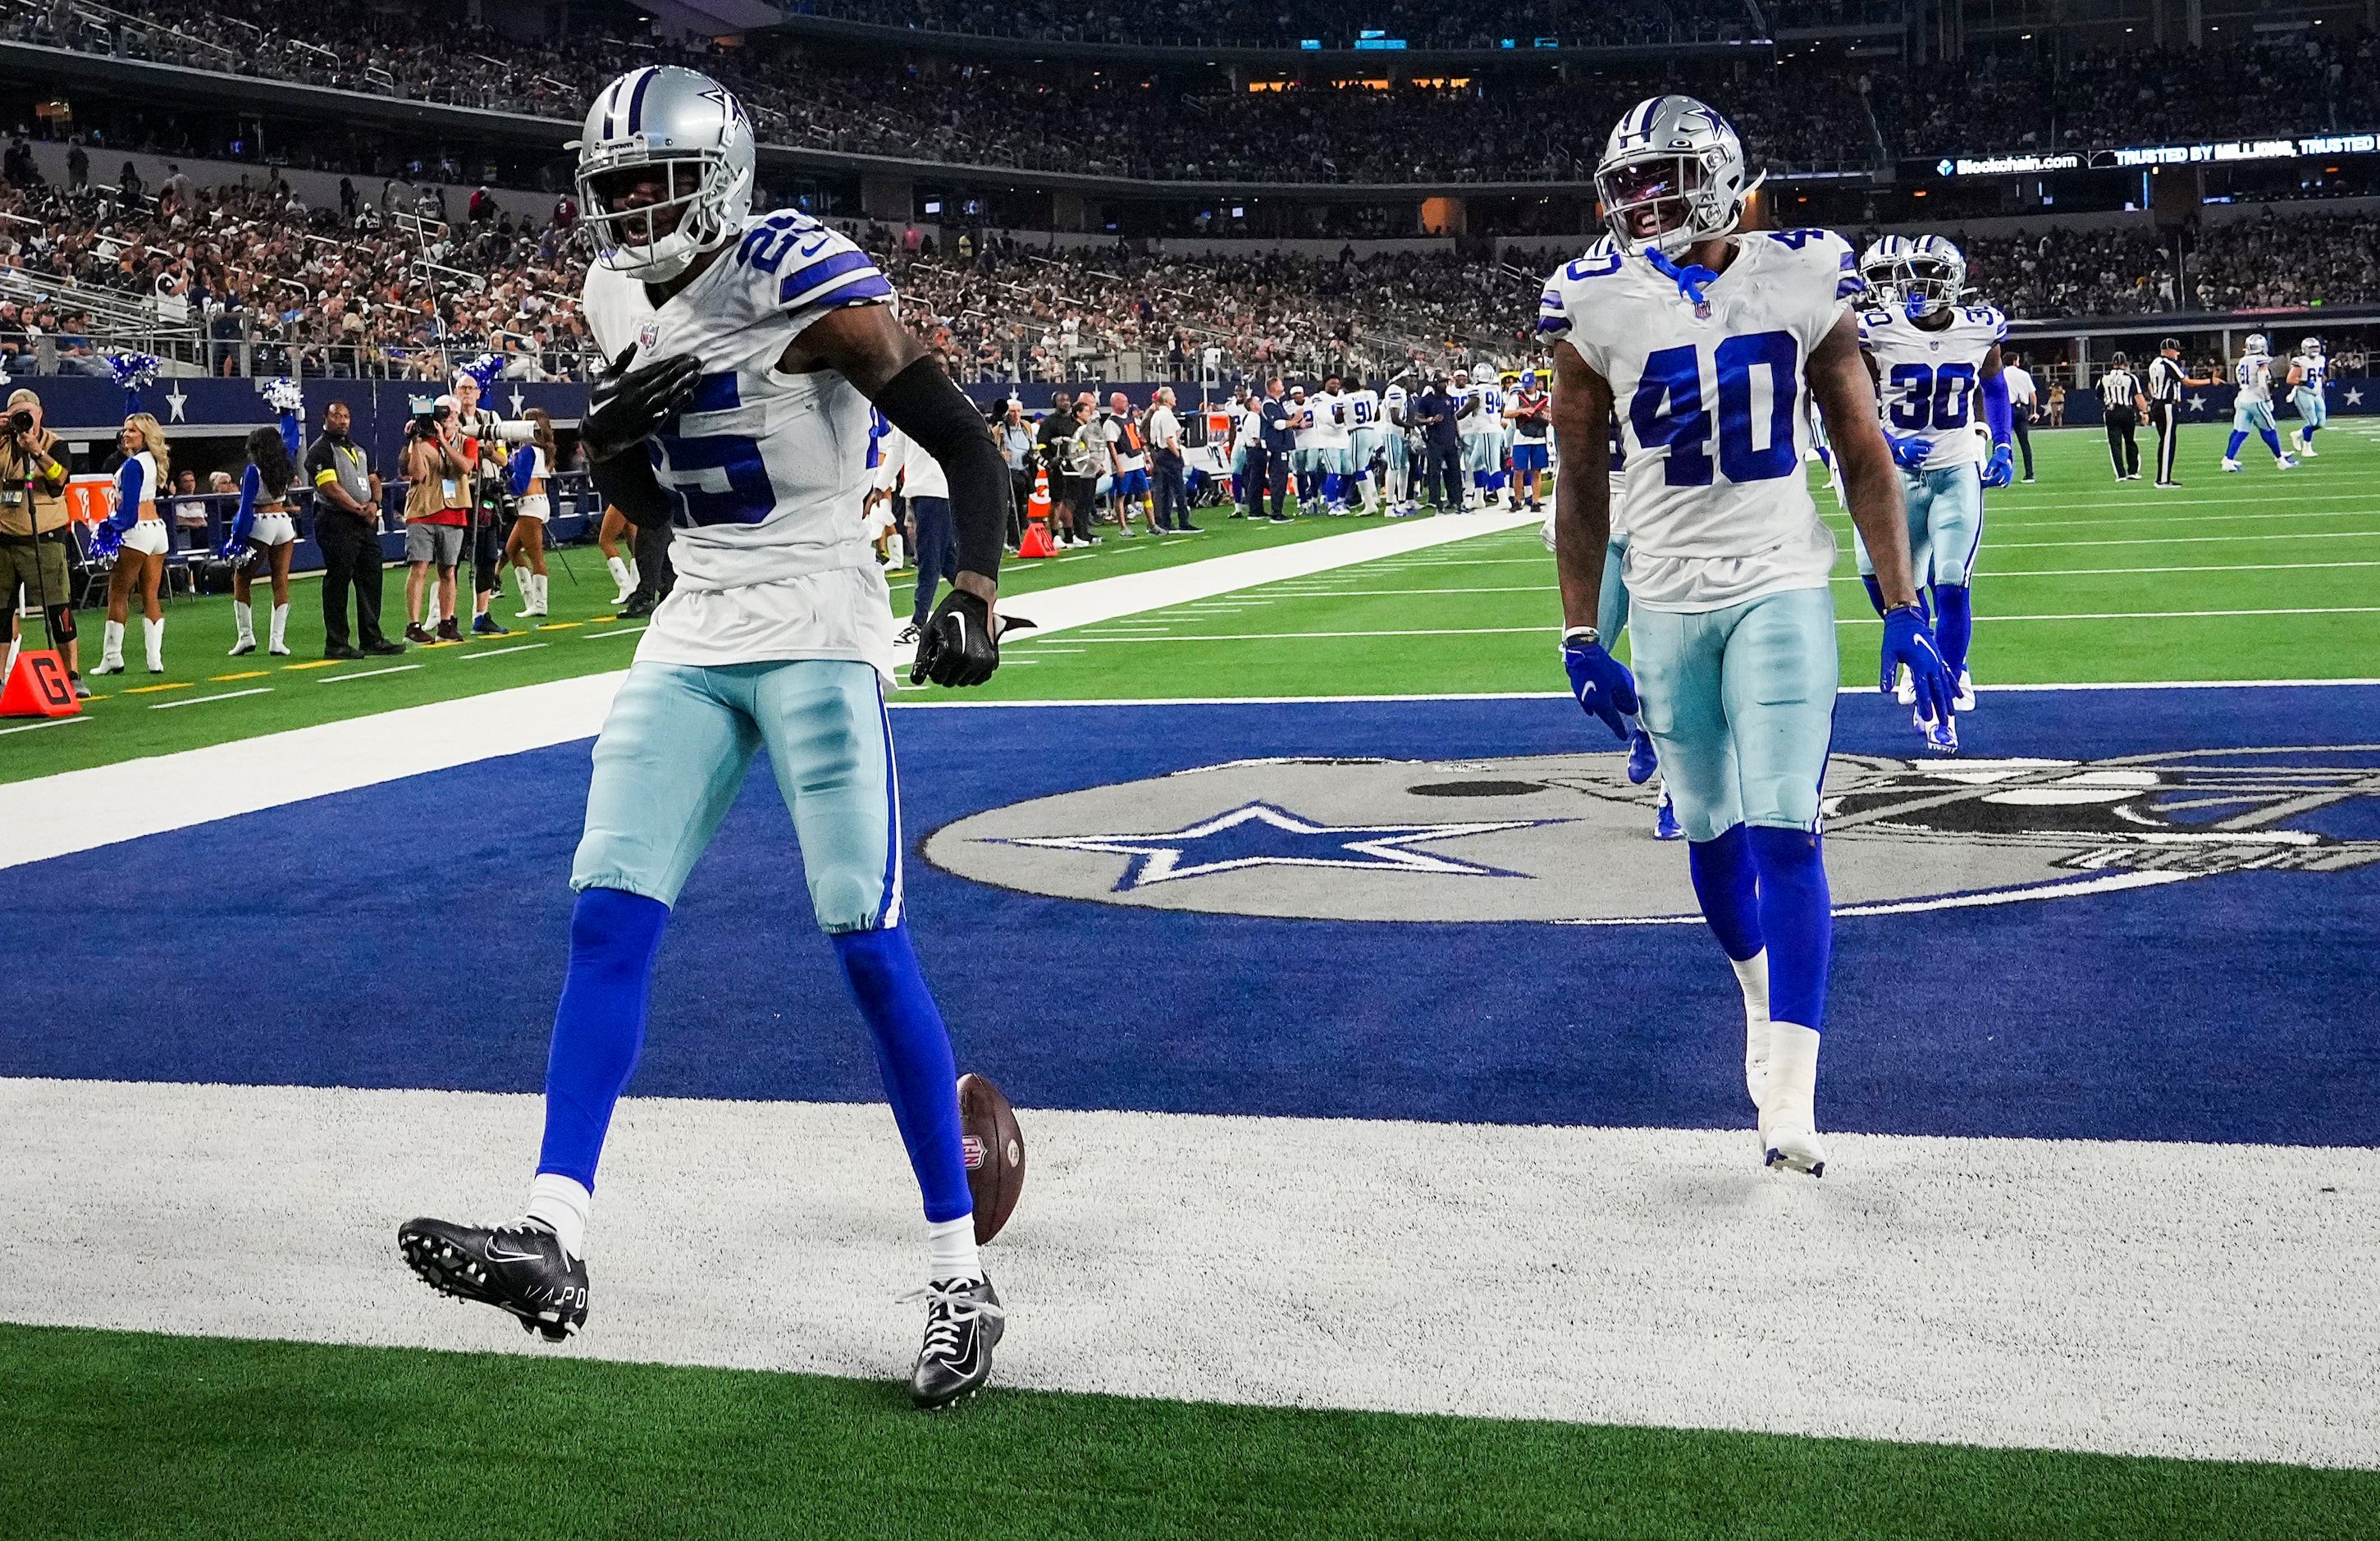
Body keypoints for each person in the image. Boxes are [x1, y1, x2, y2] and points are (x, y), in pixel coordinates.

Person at [397, 66, 1018, 1408]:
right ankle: (556, 1231)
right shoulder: (610, 295)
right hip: (694, 624)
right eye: (610, 188)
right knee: (606, 915)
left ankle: (960, 1275)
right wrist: (606, 458)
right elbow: (654, 502)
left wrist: (971, 589)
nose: (629, 210)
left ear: (720, 176)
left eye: (651, 183)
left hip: (815, 615)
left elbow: (967, 443)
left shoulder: (805, 274)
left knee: (863, 936)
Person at [1540, 94, 1950, 1181]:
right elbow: (1578, 482)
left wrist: (1901, 603)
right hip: (1668, 596)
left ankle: (1795, 1098)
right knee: (1712, 835)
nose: (1637, 200)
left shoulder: (1805, 270)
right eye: (1625, 181)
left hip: (1779, 582)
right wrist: (1582, 632)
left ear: (1715, 176)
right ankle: (1759, 998)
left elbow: (1861, 450)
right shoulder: (1588, 300)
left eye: (1657, 177)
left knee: (1788, 827)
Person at [1853, 234, 2012, 752]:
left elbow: (1993, 384)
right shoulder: (1876, 330)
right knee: (1878, 580)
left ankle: (1941, 694)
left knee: (1951, 584)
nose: (1916, 286)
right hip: (1893, 476)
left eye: (1928, 274)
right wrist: (1888, 442)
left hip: (1954, 470)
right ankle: (1923, 655)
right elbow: (1844, 395)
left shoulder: (1980, 326)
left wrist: (2003, 442)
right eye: (1910, 274)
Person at [0, 386, 82, 695]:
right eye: (16, 416)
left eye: (27, 415)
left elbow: (60, 479)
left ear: (39, 414)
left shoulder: (55, 444)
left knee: (58, 609)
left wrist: (35, 449)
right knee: (1, 614)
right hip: (4, 538)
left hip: (44, 537)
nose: (22, 421)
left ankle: (72, 675)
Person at [307, 399, 402, 659]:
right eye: (337, 416)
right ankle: (336, 643)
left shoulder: (358, 449)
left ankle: (372, 638)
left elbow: (373, 478)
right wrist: (359, 509)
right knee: (338, 581)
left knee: (372, 578)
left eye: (347, 416)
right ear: (325, 418)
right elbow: (330, 488)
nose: (343, 421)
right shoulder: (320, 450)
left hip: (363, 522)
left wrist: (375, 502)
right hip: (336, 520)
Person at [91, 414, 173, 674]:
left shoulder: (134, 465)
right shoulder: (152, 459)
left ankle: (112, 656)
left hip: (137, 532)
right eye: (125, 430)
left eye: (132, 431)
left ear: (145, 436)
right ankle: (155, 660)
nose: (125, 434)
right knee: (150, 596)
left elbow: (128, 514)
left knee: (118, 594)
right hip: (158, 531)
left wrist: (106, 527)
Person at [874, 421, 953, 646]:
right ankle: (982, 607)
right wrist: (880, 486)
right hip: (927, 490)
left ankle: (918, 623)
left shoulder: (924, 401)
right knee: (946, 558)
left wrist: (880, 486)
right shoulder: (919, 401)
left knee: (929, 557)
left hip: (935, 491)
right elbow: (897, 450)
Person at [224, 426, 299, 657]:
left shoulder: (253, 471)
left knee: (242, 579)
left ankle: (246, 637)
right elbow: (293, 438)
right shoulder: (285, 467)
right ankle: (277, 641)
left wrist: (237, 538)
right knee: (280, 580)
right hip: (283, 524)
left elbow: (246, 506)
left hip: (261, 523)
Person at [402, 398, 469, 643]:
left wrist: (443, 440)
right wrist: (417, 441)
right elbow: (417, 474)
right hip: (422, 510)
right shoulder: (420, 441)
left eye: (452, 414)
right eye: (444, 414)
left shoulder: (465, 441)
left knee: (448, 571)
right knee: (419, 567)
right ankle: (413, 625)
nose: (448, 418)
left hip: (454, 513)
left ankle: (446, 623)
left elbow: (464, 467)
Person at [450, 372, 513, 637]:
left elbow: (503, 459)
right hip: (461, 492)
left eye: (471, 388)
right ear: (456, 392)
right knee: (451, 557)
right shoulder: (448, 420)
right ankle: (447, 615)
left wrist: (485, 451)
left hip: (487, 490)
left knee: (488, 555)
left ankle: (481, 613)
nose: (467, 393)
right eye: (462, 388)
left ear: (479, 393)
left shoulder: (490, 419)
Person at [503, 408, 557, 619]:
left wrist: (505, 475)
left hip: (530, 504)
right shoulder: (541, 450)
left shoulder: (528, 450)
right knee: (512, 550)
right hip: (539, 502)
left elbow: (519, 483)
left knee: (536, 557)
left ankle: (540, 603)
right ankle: (530, 600)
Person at [2224, 335, 2297, 473]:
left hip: (2242, 397)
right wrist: (2267, 399)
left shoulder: (2243, 361)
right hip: (2257, 399)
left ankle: (2228, 460)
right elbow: (2262, 383)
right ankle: (2280, 460)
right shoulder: (2260, 361)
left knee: (2240, 431)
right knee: (2269, 429)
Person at [2145, 339, 2212, 489]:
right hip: (2166, 405)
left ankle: (2163, 477)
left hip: (2158, 403)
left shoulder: (2155, 363)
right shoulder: (2168, 364)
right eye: (2176, 350)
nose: (2178, 353)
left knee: (2165, 441)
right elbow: (2186, 381)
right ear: (2169, 350)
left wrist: (2157, 393)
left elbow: (2150, 383)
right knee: (2168, 442)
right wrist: (2210, 381)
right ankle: (2163, 479)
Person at [1101, 391, 1158, 536]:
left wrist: (1146, 454)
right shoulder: (1111, 423)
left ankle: (1152, 524)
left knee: (1146, 493)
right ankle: (1123, 527)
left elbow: (1137, 438)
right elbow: (1111, 446)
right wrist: (1118, 465)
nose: (1127, 404)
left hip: (1137, 461)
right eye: (1123, 401)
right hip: (1124, 463)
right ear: (1115, 404)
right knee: (1121, 495)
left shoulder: (1131, 418)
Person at [1145, 386, 1194, 533]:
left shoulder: (1156, 415)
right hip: (1168, 454)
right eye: (1173, 396)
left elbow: (1154, 438)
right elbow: (1169, 438)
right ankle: (1184, 522)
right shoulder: (1166, 415)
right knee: (1178, 489)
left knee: (1164, 490)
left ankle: (1165, 521)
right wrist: (1177, 454)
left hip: (1159, 453)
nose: (1175, 398)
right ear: (1166, 399)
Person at [1505, 369, 1553, 512]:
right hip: (1521, 437)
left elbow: (1552, 413)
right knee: (1518, 470)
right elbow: (1507, 413)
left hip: (1539, 437)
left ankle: (1535, 501)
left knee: (1537, 471)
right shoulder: (1517, 398)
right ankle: (1517, 500)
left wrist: (1547, 415)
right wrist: (1521, 411)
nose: (1529, 388)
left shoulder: (1546, 397)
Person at [1416, 373, 1464, 512]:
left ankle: (1457, 501)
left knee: (1455, 471)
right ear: (1435, 383)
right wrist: (1430, 420)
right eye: (1442, 382)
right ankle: (1437, 503)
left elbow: (1453, 417)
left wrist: (1458, 435)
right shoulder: (1426, 400)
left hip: (1449, 439)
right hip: (1435, 440)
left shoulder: (1449, 399)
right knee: (1435, 472)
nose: (1445, 385)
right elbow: (1418, 419)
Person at [1251, 376, 1294, 523]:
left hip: (1281, 445)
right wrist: (1293, 421)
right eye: (1280, 383)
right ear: (1274, 387)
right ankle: (1276, 513)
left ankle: (1278, 511)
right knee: (1278, 479)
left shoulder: (1276, 403)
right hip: (1276, 446)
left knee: (1281, 479)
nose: (1283, 385)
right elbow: (1278, 424)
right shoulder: (1269, 404)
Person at [998, 400, 1035, 548]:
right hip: (1008, 471)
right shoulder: (1000, 430)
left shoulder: (1026, 427)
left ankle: (1018, 536)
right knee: (1011, 507)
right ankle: (1012, 540)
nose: (1015, 415)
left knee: (1023, 506)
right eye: (1012, 411)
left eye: (1018, 411)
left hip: (1023, 471)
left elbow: (1033, 445)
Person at [1999, 350, 2038, 482]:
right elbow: (2033, 395)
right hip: (2022, 408)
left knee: (2002, 441)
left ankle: (2000, 474)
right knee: (2025, 443)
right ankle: (2030, 474)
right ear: (2015, 361)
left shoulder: (2001, 375)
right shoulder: (2024, 374)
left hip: (2006, 409)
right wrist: (2034, 412)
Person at [2287, 336, 2327, 459]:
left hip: (2316, 393)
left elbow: (2319, 375)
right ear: (2305, 349)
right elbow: (2290, 379)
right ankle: (2307, 448)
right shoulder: (2300, 361)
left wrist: (2326, 382)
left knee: (2321, 423)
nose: (2315, 350)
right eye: (2312, 347)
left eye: (2316, 347)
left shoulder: (2321, 359)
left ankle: (2298, 434)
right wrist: (2304, 383)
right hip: (2304, 392)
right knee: (2312, 422)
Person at [597, 504, 639, 606]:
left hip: (621, 499)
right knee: (633, 540)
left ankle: (626, 587)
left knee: (605, 542)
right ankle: (637, 585)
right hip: (633, 499)